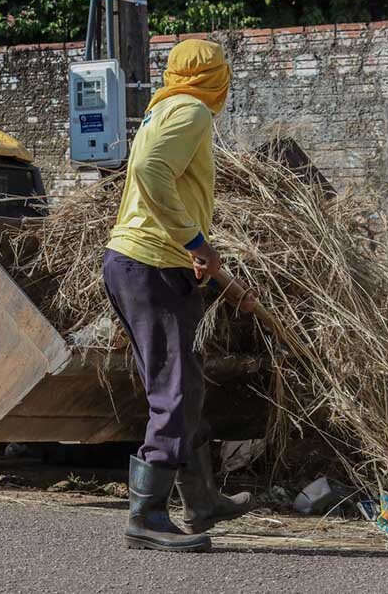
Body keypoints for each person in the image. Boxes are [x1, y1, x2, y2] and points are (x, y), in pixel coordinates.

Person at [103, 39, 256, 553]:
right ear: (216, 78)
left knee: (181, 384)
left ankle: (201, 501)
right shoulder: (191, 109)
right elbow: (149, 171)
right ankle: (146, 516)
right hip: (152, 263)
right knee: (172, 389)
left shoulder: (166, 107)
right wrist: (194, 240)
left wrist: (200, 255)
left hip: (144, 261)